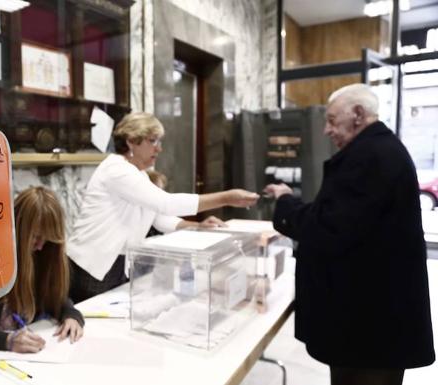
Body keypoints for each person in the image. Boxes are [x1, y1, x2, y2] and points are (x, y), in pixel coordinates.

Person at [264, 84, 435, 385]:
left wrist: (285, 203)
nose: (327, 130)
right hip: (373, 319)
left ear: (358, 114)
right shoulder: (380, 149)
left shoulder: (370, 156)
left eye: (332, 120)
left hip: (370, 326)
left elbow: (329, 226)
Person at [67, 112, 259, 303]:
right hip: (92, 264)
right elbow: (166, 203)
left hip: (115, 263)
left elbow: (158, 217)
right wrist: (226, 198)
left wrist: (196, 226)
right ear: (131, 141)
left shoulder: (139, 174)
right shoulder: (116, 170)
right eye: (153, 141)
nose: (159, 149)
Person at [0, 187, 84, 353]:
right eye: (36, 237)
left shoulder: (41, 255)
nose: (40, 246)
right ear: (18, 228)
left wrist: (71, 315)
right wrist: (6, 341)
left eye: (47, 239)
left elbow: (57, 300)